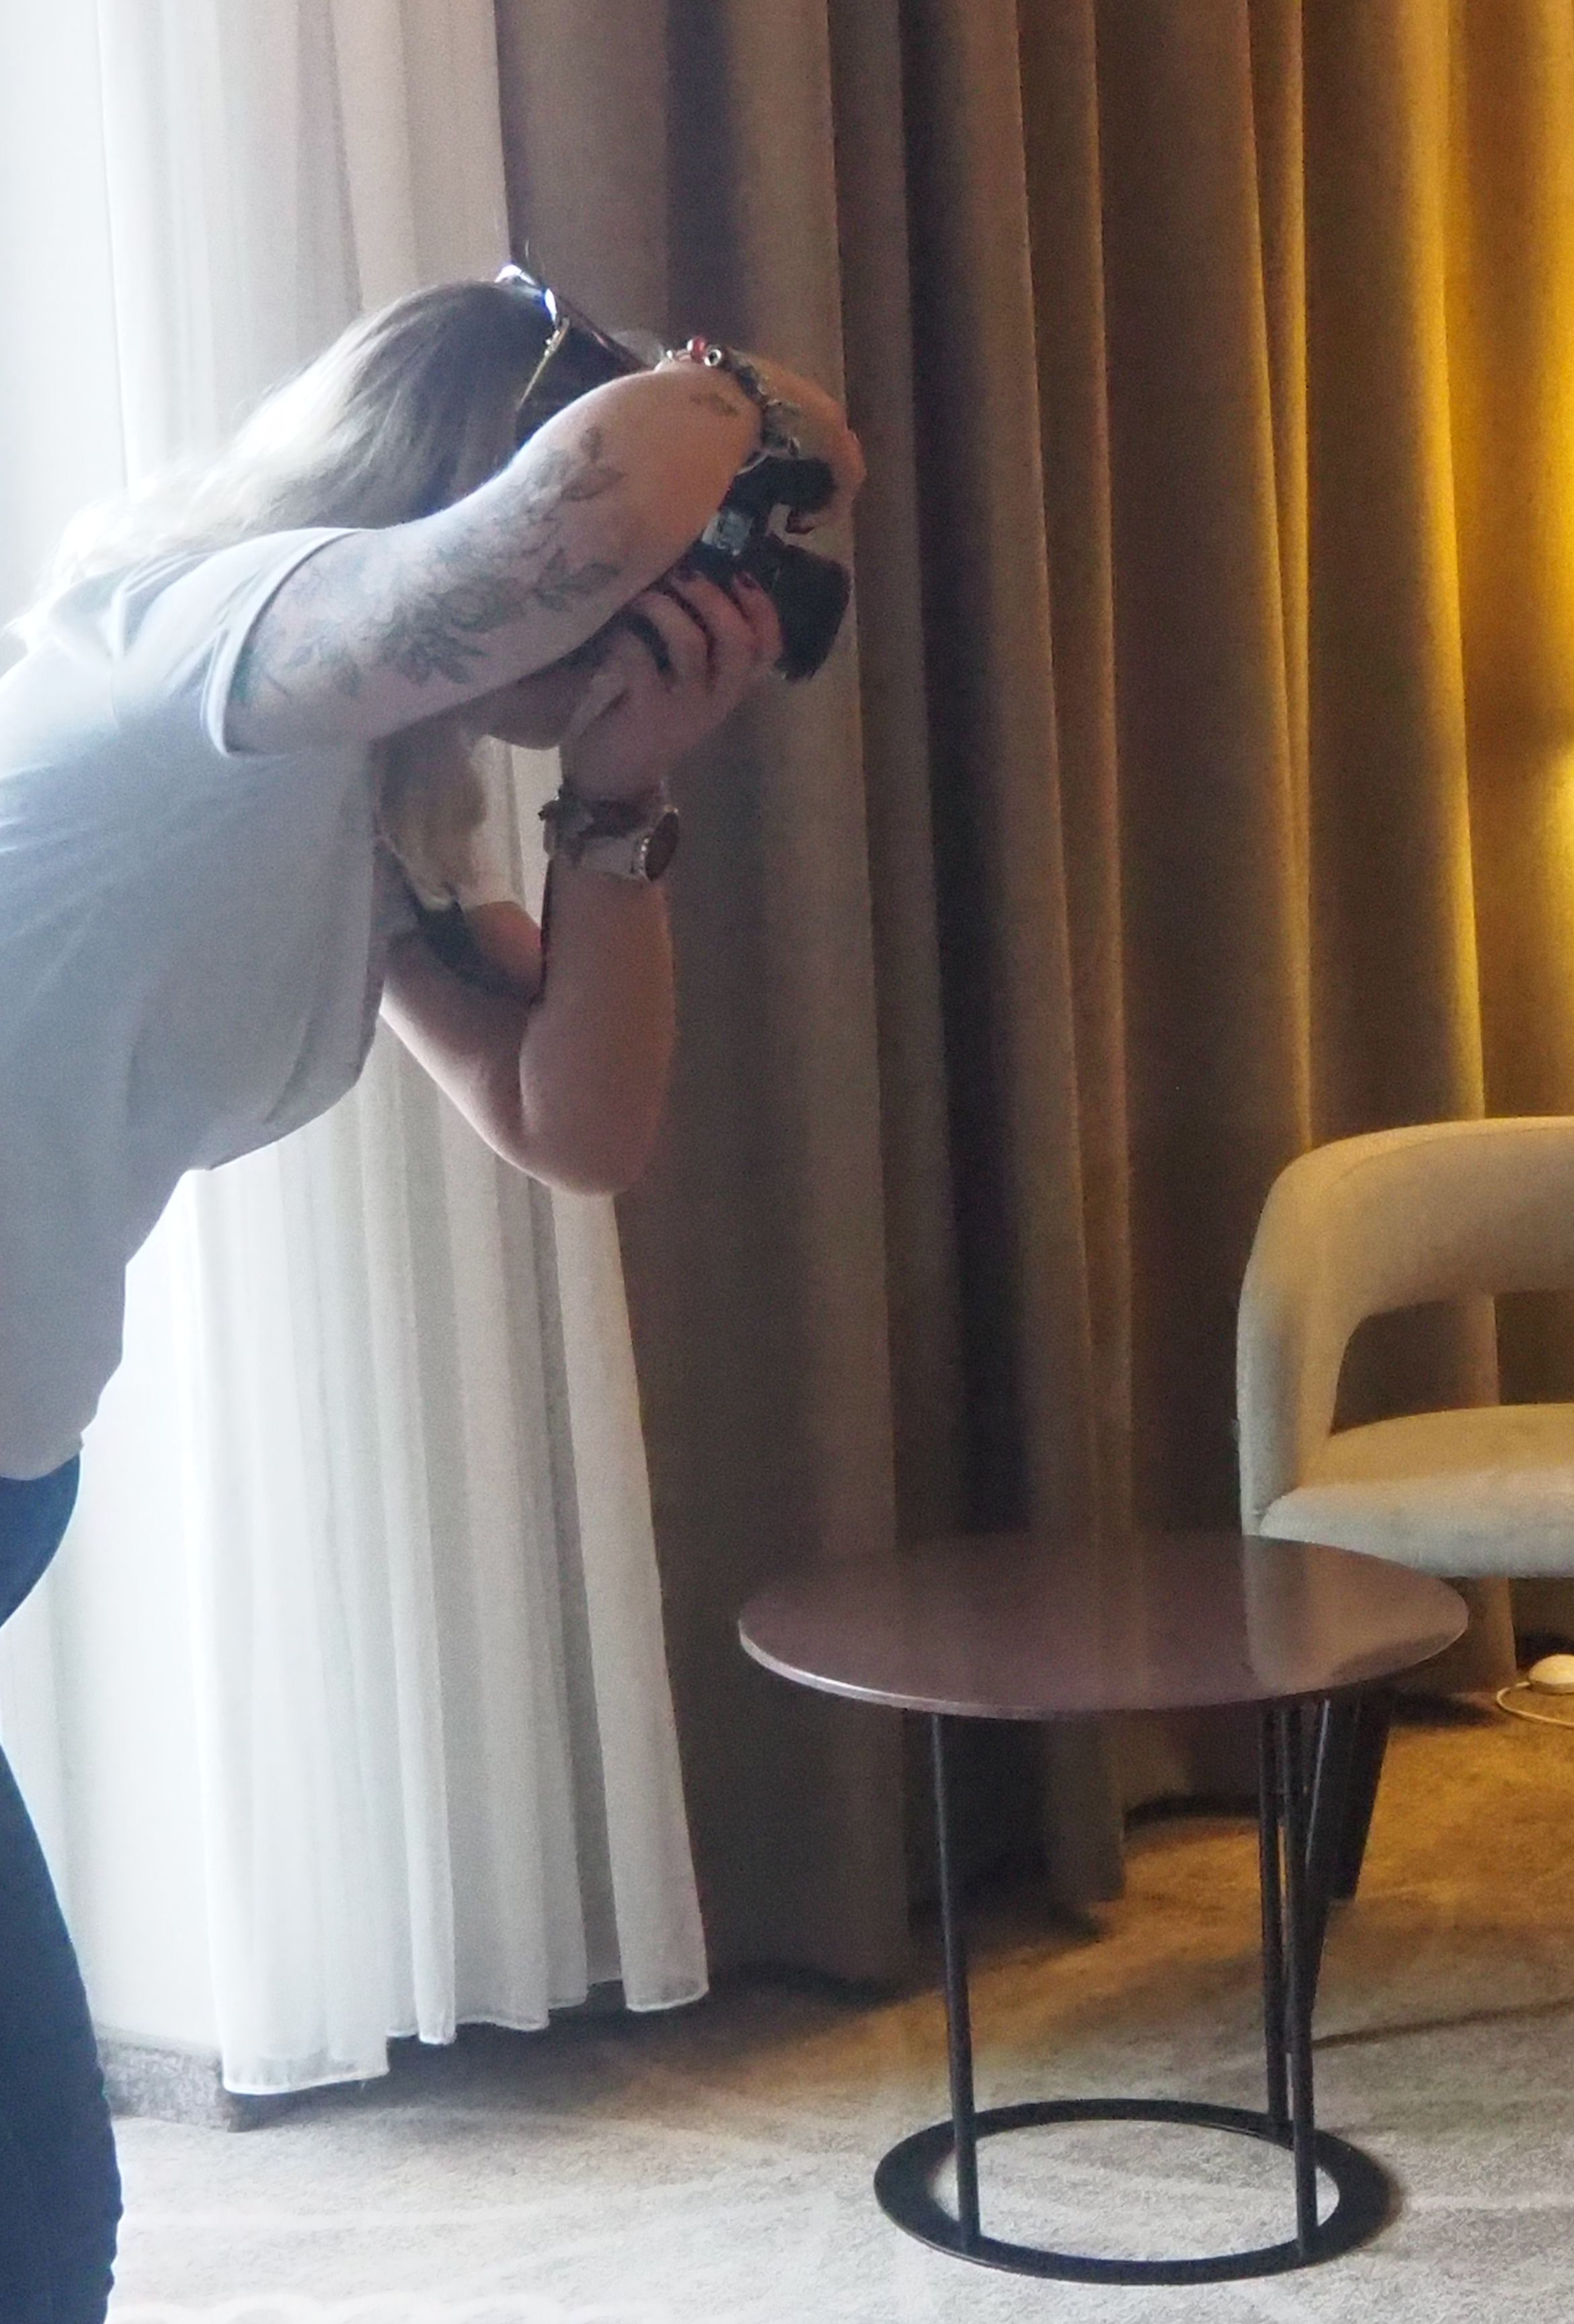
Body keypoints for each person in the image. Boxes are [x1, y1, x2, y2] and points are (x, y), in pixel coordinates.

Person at [0, 276, 863, 2321]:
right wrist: (742, 424)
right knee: (36, 2221)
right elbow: (626, 477)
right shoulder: (216, 638)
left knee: (32, 2219)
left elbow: (576, 1119)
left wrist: (620, 789)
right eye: (687, 566)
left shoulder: (365, 794)